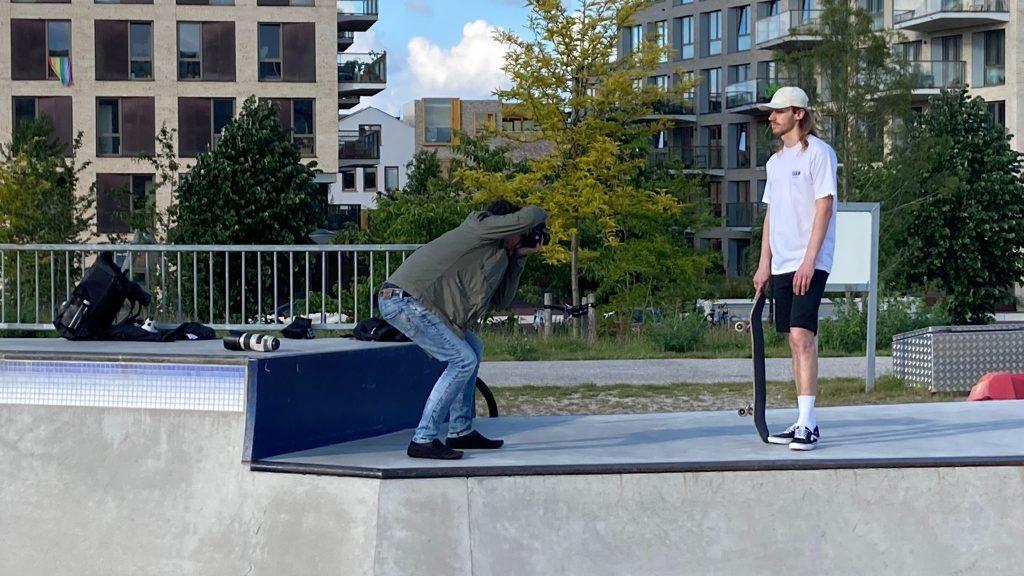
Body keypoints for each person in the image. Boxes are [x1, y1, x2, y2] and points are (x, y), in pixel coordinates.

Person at [378, 199, 548, 460]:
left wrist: (518, 259)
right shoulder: (479, 227)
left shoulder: (499, 254)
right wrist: (542, 215)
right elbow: (529, 216)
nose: (523, 237)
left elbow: (502, 300)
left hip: (428, 309)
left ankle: (460, 430)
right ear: (507, 226)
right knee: (462, 360)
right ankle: (422, 439)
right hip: (405, 300)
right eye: (520, 232)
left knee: (473, 348)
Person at [753, 86, 838, 451]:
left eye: (778, 112)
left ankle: (808, 423)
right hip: (783, 262)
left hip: (810, 262)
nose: (771, 118)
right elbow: (771, 215)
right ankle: (803, 419)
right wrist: (763, 265)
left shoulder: (818, 153)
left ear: (798, 114)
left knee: (803, 336)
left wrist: (808, 261)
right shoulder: (775, 163)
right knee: (792, 338)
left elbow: (824, 207)